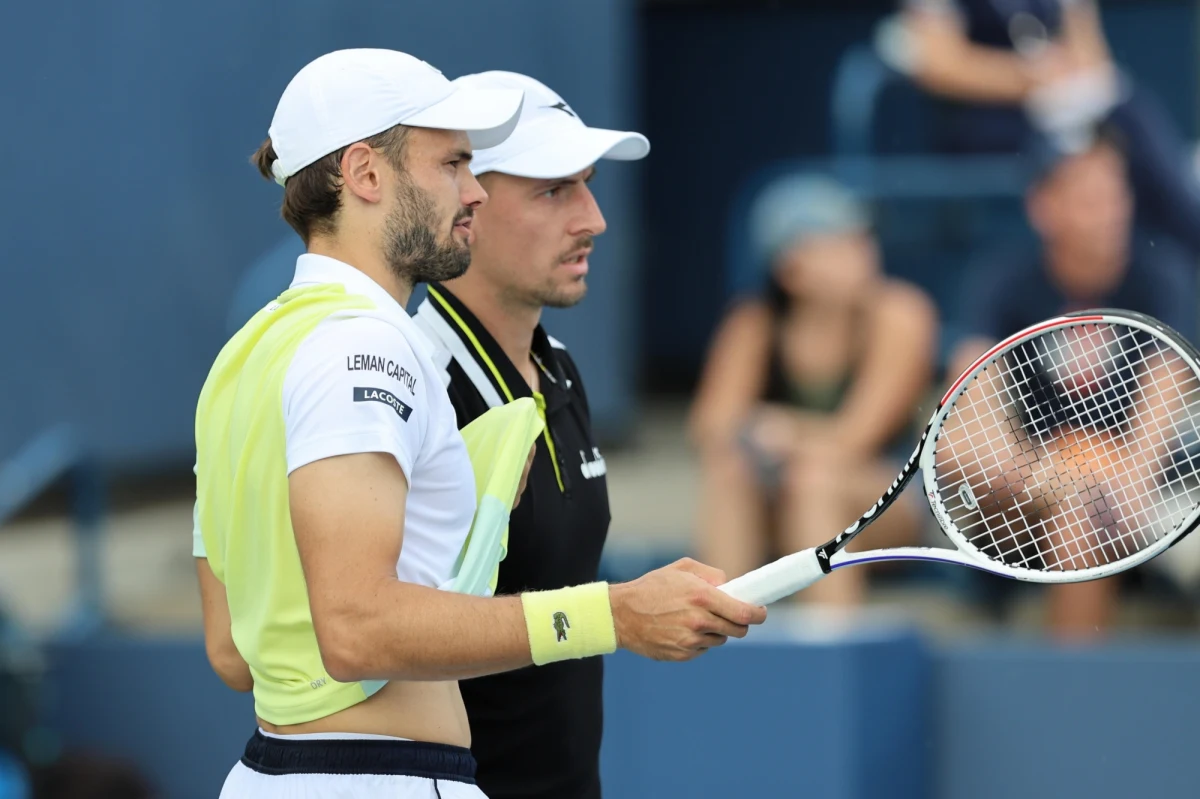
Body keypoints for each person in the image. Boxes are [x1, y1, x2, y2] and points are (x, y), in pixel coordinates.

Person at [191, 49, 767, 799]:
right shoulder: (369, 344)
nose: (471, 193)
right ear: (366, 175)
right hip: (379, 781)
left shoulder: (248, 353)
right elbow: (357, 629)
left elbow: (237, 651)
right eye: (452, 165)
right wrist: (612, 613)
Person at [411, 70, 648, 799]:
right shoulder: (411, 385)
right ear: (464, 203)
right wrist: (617, 615)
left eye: (588, 184)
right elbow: (379, 636)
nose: (593, 218)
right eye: (554, 191)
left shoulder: (562, 368)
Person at [945, 130, 1196, 638]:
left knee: (1085, 499)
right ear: (1044, 207)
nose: (1109, 212)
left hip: (1148, 497)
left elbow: (1168, 391)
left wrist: (1109, 473)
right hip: (1028, 494)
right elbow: (968, 402)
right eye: (1088, 197)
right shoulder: (1003, 283)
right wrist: (1054, 469)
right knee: (1069, 494)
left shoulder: (1162, 279)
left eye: (1115, 194)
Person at [688, 175, 938, 608]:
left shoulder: (900, 314)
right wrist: (754, 439)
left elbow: (857, 439)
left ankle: (831, 653)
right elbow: (710, 429)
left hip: (892, 504)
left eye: (862, 238)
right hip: (781, 501)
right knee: (731, 473)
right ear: (790, 268)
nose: (862, 252)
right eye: (838, 243)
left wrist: (782, 432)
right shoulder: (754, 323)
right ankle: (721, 645)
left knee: (814, 481)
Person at [878, 0, 1200, 259]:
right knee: (1131, 128)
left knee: (1129, 121)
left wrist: (1061, 81)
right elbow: (941, 66)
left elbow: (1092, 55)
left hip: (1066, 109)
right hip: (986, 120)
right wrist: (1031, 78)